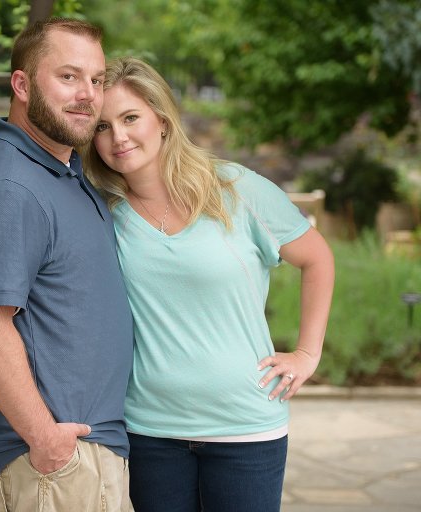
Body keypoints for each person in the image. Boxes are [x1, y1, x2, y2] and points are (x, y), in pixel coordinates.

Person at [81, 57, 335, 512]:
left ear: (161, 119)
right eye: (102, 126)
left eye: (130, 117)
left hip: (246, 429)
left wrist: (307, 353)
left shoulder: (237, 189)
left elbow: (317, 259)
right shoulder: (102, 210)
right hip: (150, 431)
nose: (118, 137)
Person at [0, 18, 135, 512]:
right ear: (22, 84)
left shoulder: (60, 172)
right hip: (55, 464)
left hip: (81, 454)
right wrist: (47, 439)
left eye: (96, 80)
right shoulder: (11, 189)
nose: (88, 95)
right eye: (69, 77)